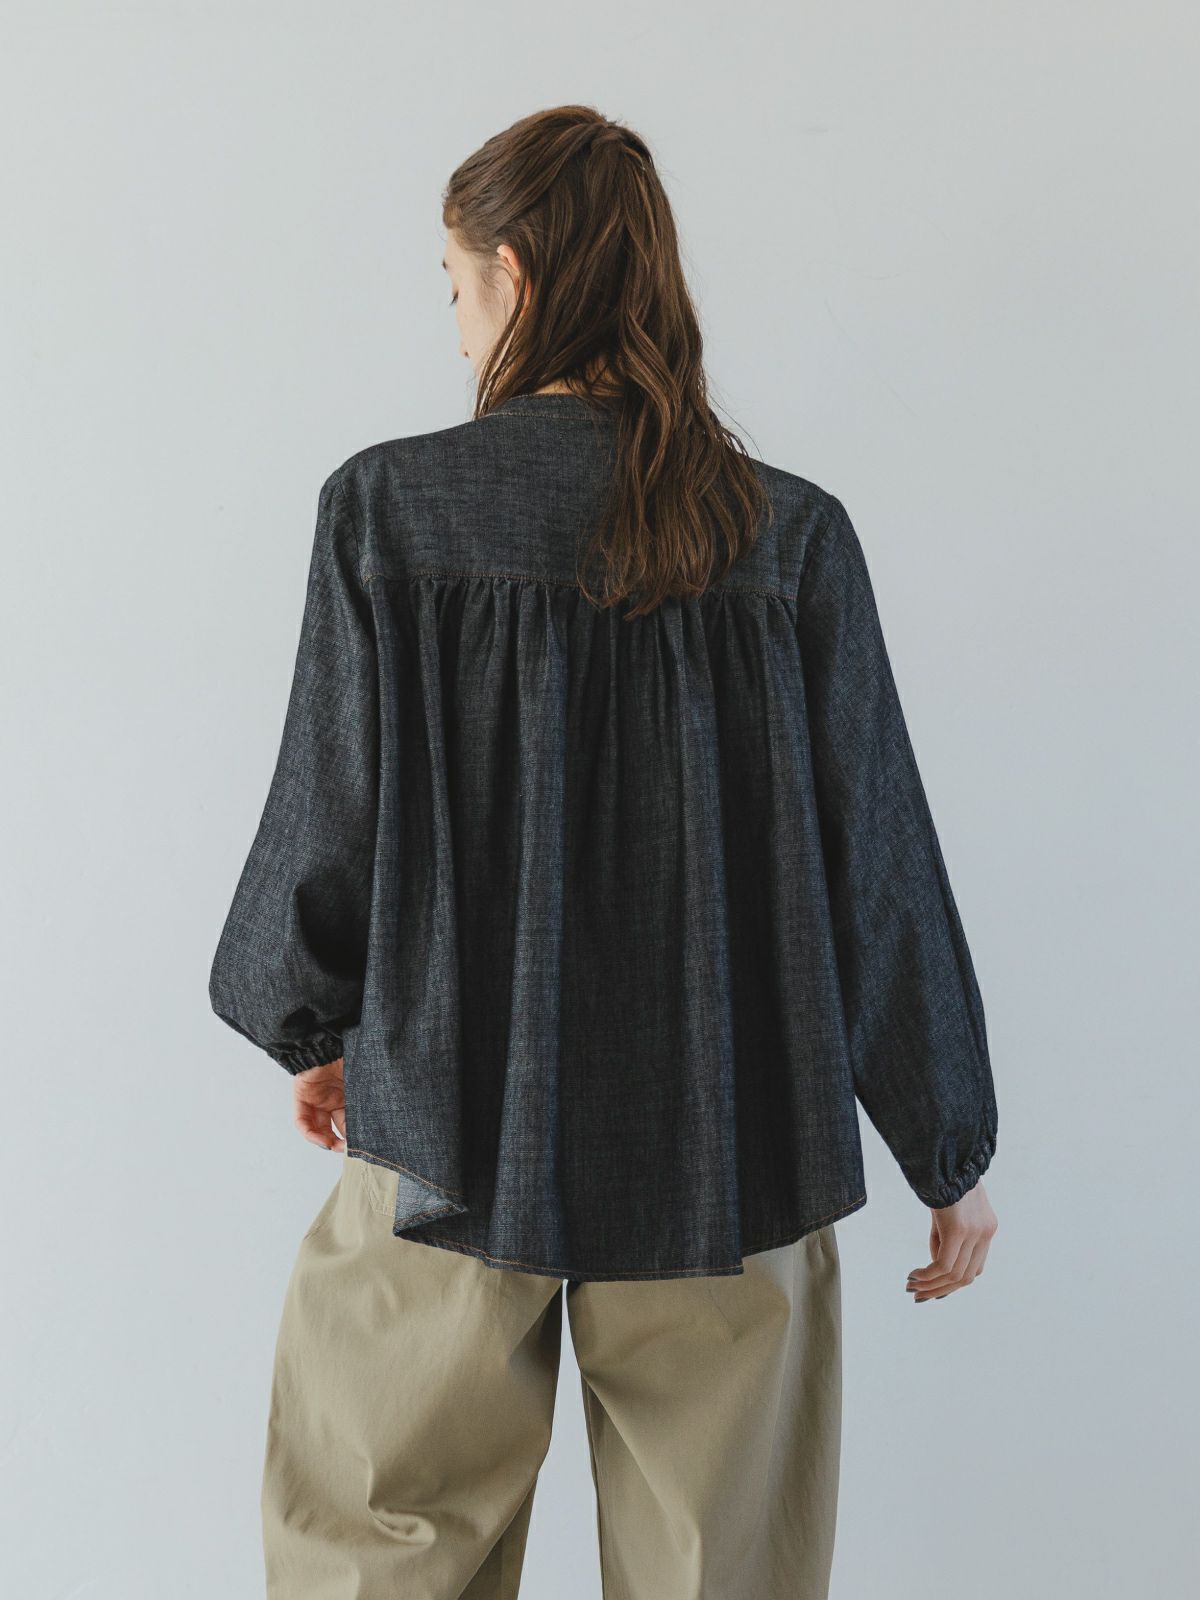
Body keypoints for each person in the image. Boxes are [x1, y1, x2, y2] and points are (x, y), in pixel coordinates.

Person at [208, 104, 999, 1600]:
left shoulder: (388, 510)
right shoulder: (788, 538)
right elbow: (878, 865)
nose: (456, 327)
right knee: (725, 1568)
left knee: (380, 1551)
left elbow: (330, 814)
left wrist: (315, 1029)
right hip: (736, 1135)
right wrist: (946, 1147)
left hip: (443, 1124)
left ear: (511, 273)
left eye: (453, 286)